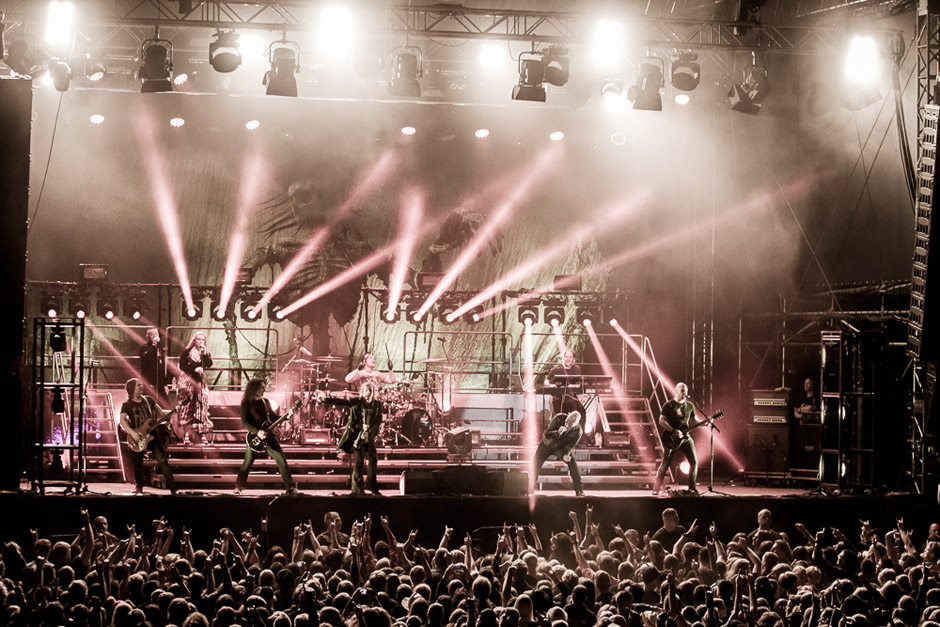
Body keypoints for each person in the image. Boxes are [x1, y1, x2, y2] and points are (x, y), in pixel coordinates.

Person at [235, 378, 298, 495]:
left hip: (268, 436)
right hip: (255, 437)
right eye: (261, 387)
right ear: (254, 388)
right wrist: (257, 431)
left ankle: (291, 487)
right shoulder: (246, 403)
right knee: (247, 463)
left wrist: (286, 416)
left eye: (264, 387)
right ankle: (239, 487)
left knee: (281, 460)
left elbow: (273, 418)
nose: (264, 390)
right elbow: (245, 422)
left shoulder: (265, 402)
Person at [321, 381, 385, 495]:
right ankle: (357, 488)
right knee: (359, 460)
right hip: (357, 436)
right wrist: (325, 400)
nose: (368, 393)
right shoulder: (357, 402)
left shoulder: (377, 405)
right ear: (362, 392)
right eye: (366, 391)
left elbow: (378, 420)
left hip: (368, 436)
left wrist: (370, 429)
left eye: (370, 391)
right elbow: (342, 402)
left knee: (373, 459)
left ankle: (372, 485)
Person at [118, 378, 177, 496]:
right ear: (132, 389)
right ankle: (139, 487)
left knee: (162, 460)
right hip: (137, 436)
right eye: (138, 385)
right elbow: (122, 421)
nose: (142, 387)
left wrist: (175, 410)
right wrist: (133, 433)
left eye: (141, 384)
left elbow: (161, 412)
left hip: (153, 434)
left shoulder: (149, 400)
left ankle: (173, 488)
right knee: (137, 463)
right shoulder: (127, 405)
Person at [653, 382, 701, 495]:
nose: (685, 393)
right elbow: (661, 421)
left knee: (694, 462)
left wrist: (706, 422)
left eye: (686, 391)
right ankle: (656, 487)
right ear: (676, 391)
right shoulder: (668, 405)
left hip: (686, 437)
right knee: (666, 463)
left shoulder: (690, 406)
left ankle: (692, 488)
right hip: (671, 438)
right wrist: (673, 431)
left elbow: (695, 421)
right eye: (683, 391)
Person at [532, 410, 584, 496]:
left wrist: (567, 454)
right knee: (535, 464)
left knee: (572, 463)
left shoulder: (578, 431)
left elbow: (571, 445)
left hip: (560, 448)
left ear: (576, 424)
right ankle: (530, 488)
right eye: (567, 420)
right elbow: (547, 434)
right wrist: (557, 432)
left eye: (570, 424)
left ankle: (579, 490)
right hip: (547, 444)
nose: (568, 424)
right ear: (568, 415)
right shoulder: (559, 418)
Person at [176, 331, 214, 445]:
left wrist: (205, 354)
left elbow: (209, 364)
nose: (201, 342)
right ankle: (186, 435)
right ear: (194, 340)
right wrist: (194, 369)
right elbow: (182, 366)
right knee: (186, 407)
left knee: (201, 407)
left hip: (199, 381)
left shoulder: (205, 353)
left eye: (203, 340)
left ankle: (202, 434)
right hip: (187, 381)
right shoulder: (187, 352)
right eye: (199, 339)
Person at [545, 350, 584, 415]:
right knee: (561, 413)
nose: (568, 359)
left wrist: (575, 386)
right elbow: (546, 381)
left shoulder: (577, 369)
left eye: (570, 357)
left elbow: (579, 383)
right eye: (566, 357)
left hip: (571, 396)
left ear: (573, 359)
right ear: (563, 358)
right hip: (558, 397)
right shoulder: (556, 369)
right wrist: (550, 386)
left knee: (581, 411)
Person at [139, 327, 167, 406]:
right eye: (152, 335)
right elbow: (146, 358)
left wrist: (165, 383)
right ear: (148, 337)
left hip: (159, 380)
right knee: (148, 401)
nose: (155, 336)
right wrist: (153, 345)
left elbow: (162, 365)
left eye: (156, 334)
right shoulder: (144, 347)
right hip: (149, 379)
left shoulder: (160, 348)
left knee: (164, 403)